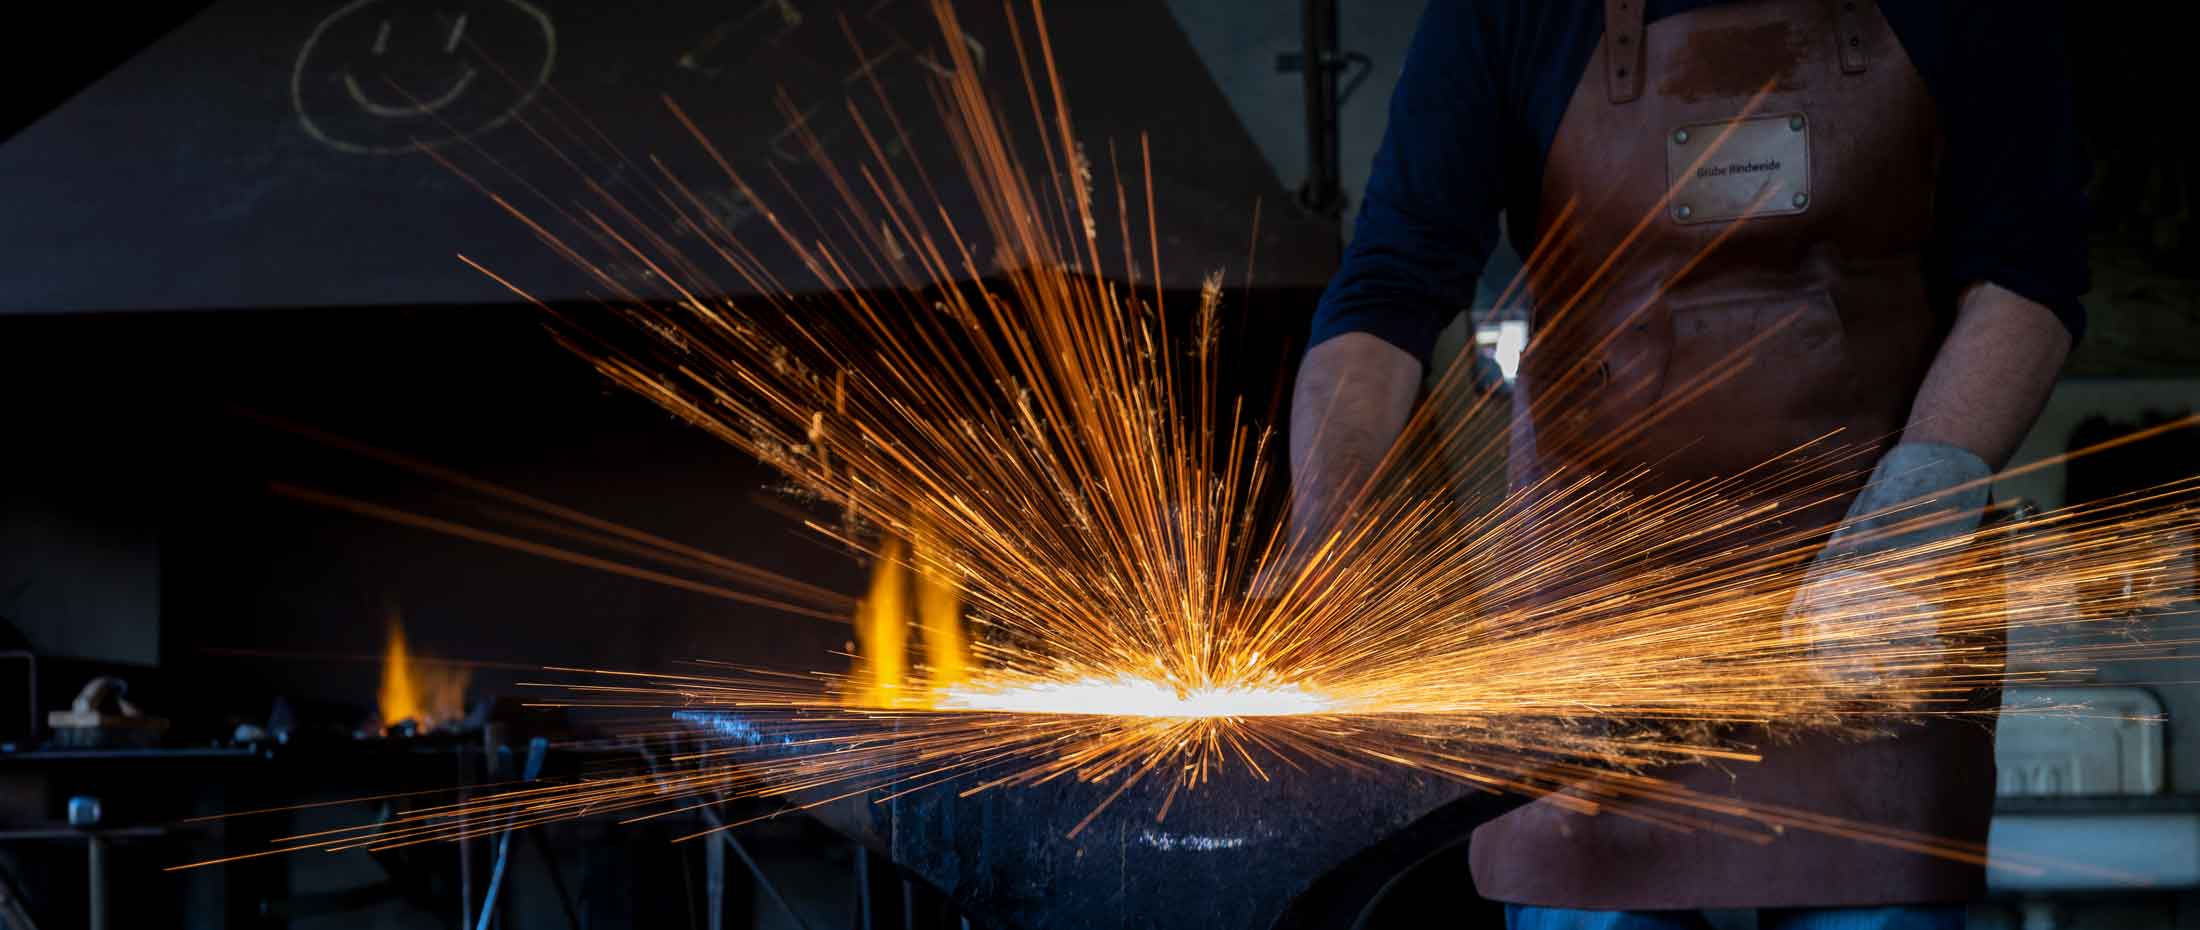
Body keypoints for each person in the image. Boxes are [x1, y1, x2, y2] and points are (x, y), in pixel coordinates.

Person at [1291, 1, 2088, 928]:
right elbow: (1387, 295)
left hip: (1873, 618)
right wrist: (1324, 542)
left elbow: (2028, 274)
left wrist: (1906, 524)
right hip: (1587, 647)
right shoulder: (1503, 14)